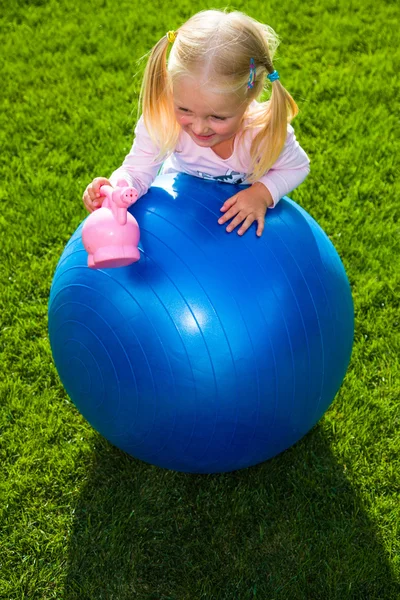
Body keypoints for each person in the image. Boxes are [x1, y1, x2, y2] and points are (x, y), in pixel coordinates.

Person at [82, 9, 310, 237]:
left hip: (241, 229)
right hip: (182, 212)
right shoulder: (164, 120)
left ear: (249, 98)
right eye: (184, 109)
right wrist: (117, 190)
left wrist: (261, 193)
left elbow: (297, 166)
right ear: (171, 89)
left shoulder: (263, 132)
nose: (199, 128)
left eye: (217, 117)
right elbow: (137, 170)